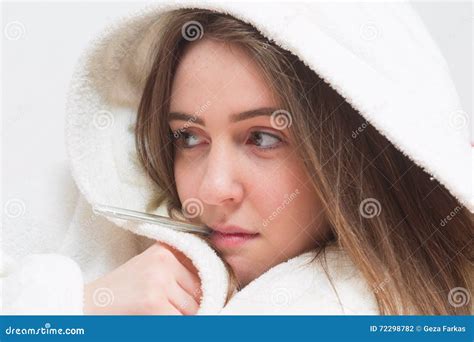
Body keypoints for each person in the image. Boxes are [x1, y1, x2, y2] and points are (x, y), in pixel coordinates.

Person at [3, 4, 472, 316]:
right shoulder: (113, 252)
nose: (211, 189)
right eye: (188, 137)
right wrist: (76, 307)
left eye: (263, 138)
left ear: (353, 150)